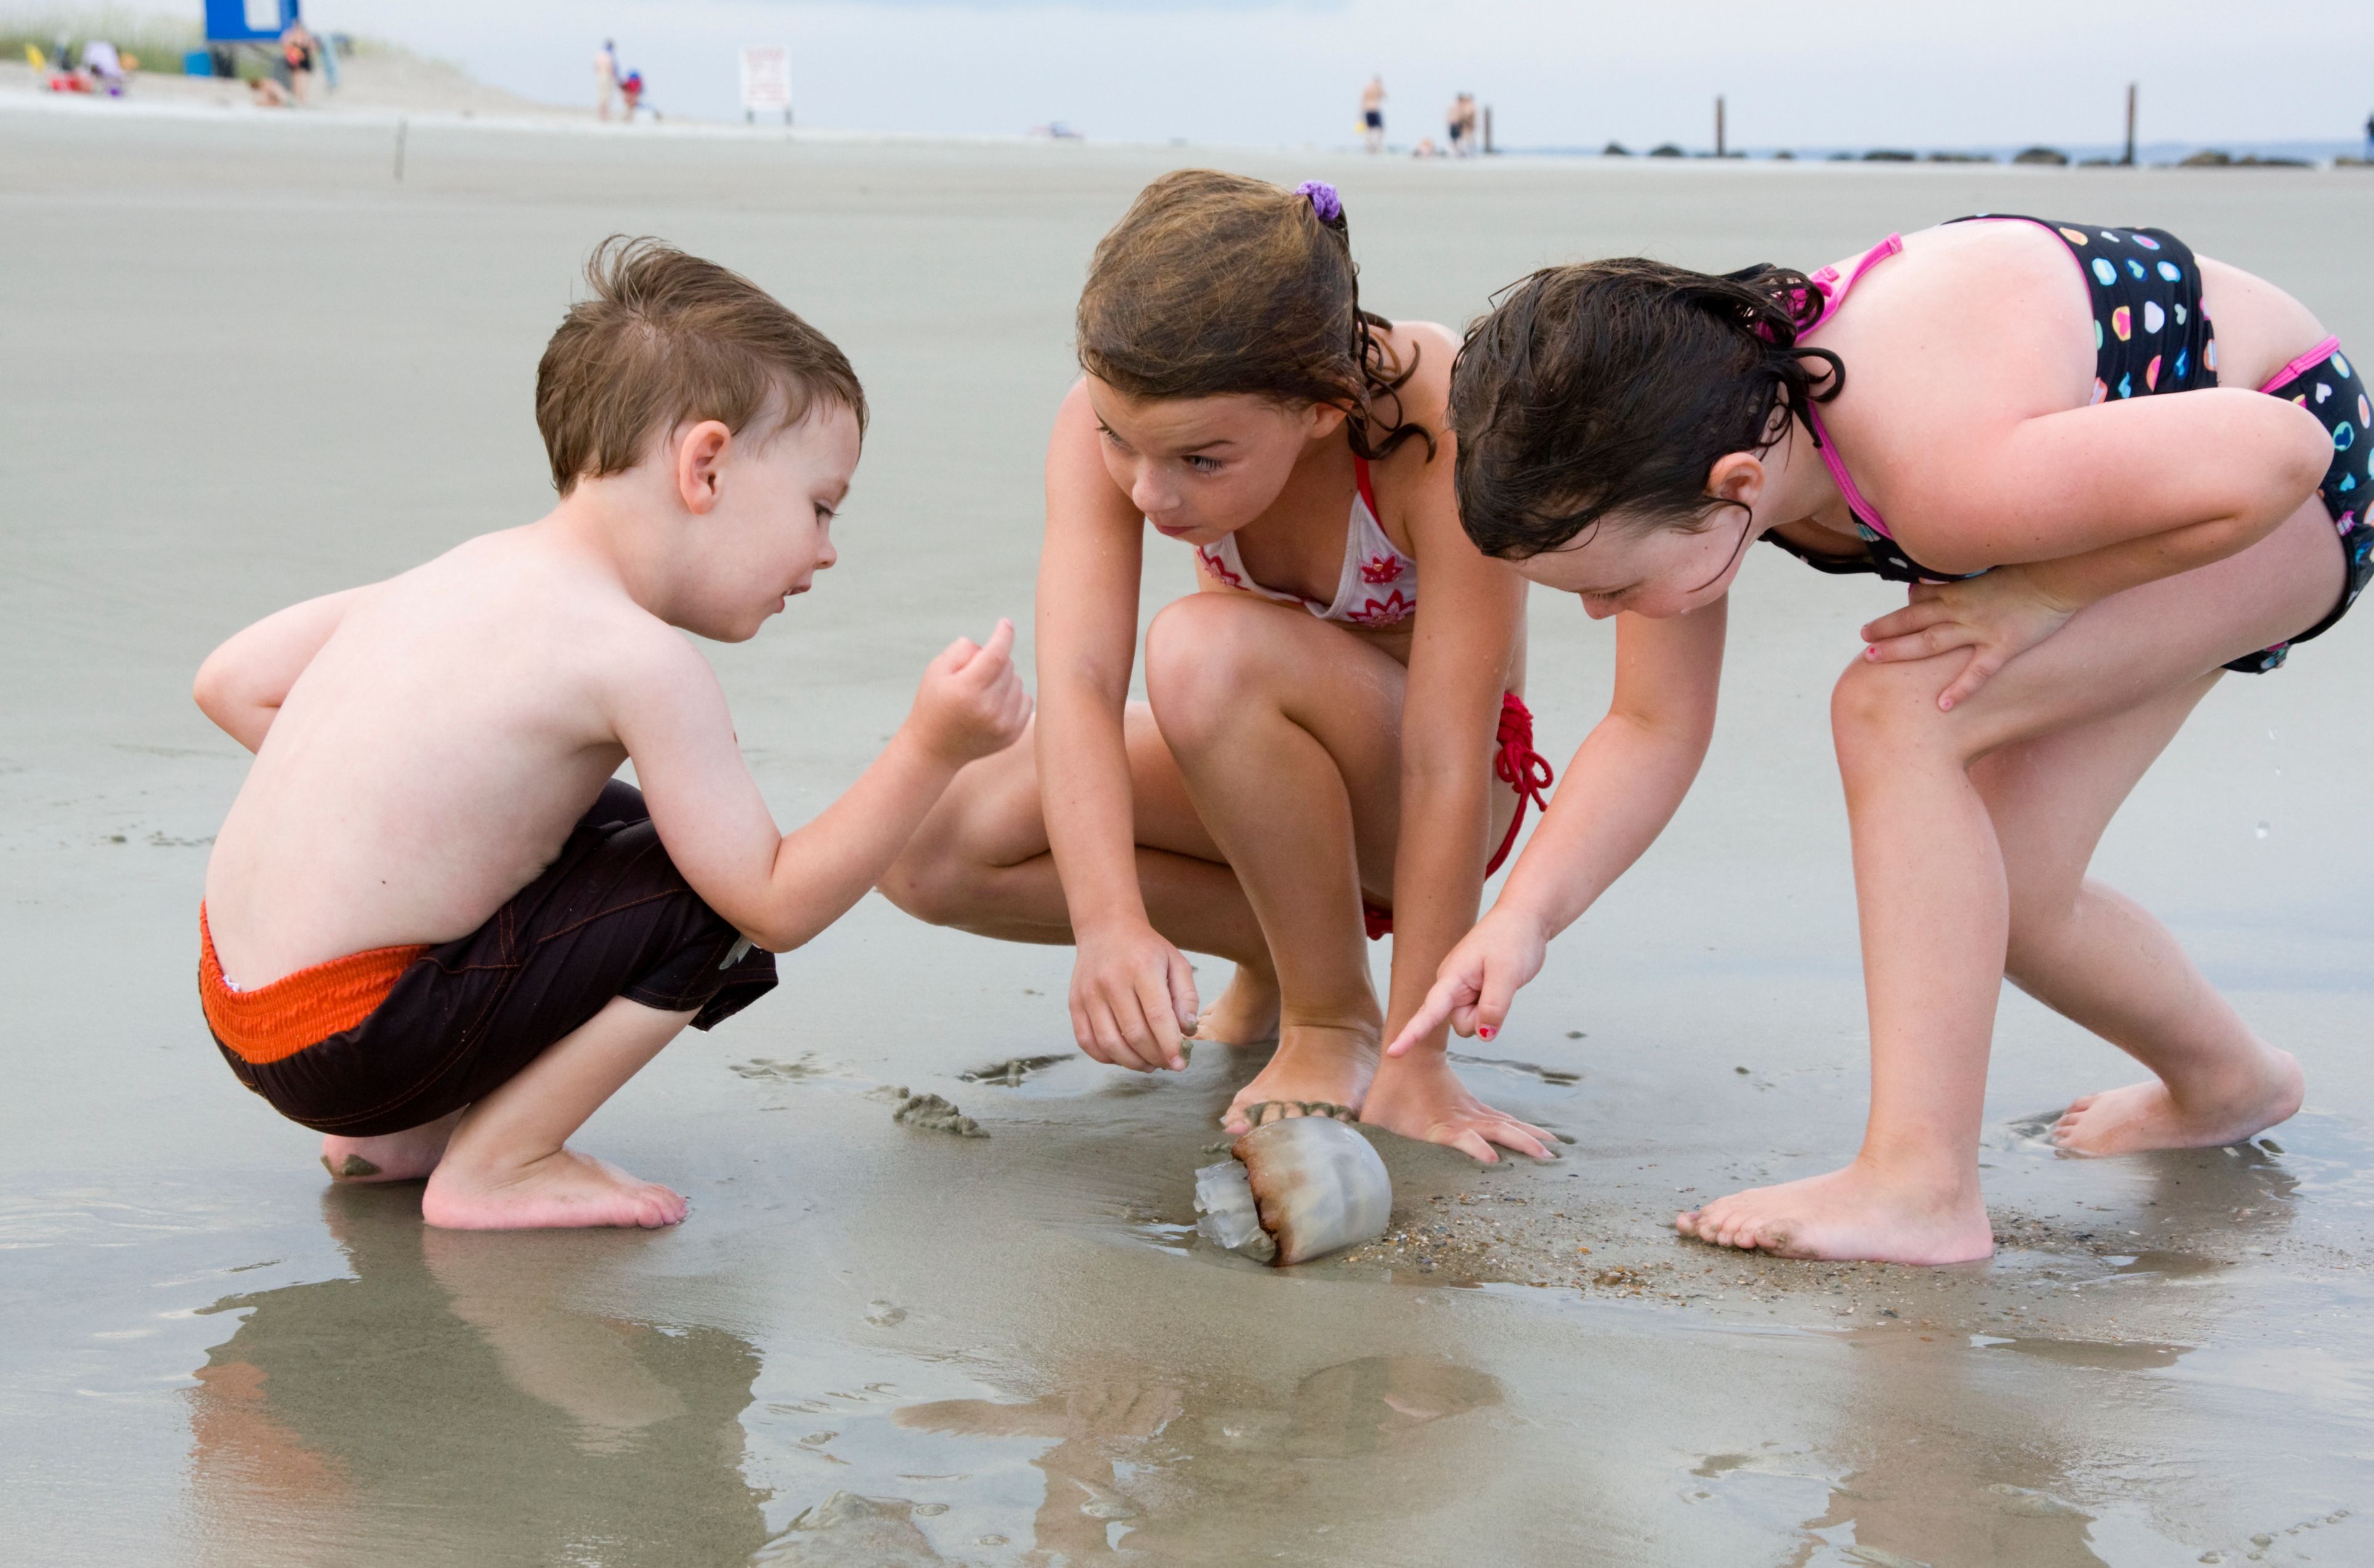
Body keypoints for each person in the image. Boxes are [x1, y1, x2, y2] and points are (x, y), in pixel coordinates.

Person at [1393, 216, 2365, 1259]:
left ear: (1734, 489)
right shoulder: (1673, 446)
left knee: (1887, 709)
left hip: (2282, 470)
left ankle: (1918, 1185)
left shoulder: (1933, 471)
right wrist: (1525, 917)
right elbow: (1647, 726)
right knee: (2014, 891)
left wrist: (2039, 595)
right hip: (2135, 476)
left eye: (1612, 590)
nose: (1601, 615)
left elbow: (2281, 454)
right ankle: (2228, 1083)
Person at [191, 238, 1031, 1230]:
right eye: (817, 507)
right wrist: (932, 746)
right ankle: (500, 1160)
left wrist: (413, 819)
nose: (826, 551)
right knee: (701, 896)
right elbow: (772, 905)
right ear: (705, 466)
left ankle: (399, 1138)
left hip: (240, 1001)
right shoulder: (637, 658)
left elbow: (231, 681)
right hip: (358, 1041)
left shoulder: (460, 569)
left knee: (607, 820)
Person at [883, 173, 1555, 1160]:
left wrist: (1423, 1054)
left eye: (1200, 461)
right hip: (1252, 769)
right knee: (926, 841)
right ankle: (1280, 952)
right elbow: (1076, 685)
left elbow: (1445, 755)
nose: (1150, 491)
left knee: (1200, 650)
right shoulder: (1117, 418)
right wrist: (1105, 920)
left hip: (1425, 796)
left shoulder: (1437, 415)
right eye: (1121, 441)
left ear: (1322, 410)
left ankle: (1335, 1017)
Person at [1361, 76, 1386, 155]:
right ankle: (1370, 146)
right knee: (1369, 130)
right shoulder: (1368, 89)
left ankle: (1376, 146)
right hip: (1370, 110)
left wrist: (1380, 89)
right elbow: (1363, 100)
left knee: (1380, 129)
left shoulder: (1379, 90)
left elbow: (1384, 97)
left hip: (1375, 110)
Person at [595, 39, 618, 120]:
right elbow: (611, 68)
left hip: (600, 76)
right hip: (607, 76)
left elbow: (596, 67)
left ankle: (601, 115)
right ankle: (605, 115)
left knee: (601, 95)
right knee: (607, 96)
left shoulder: (599, 54)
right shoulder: (609, 55)